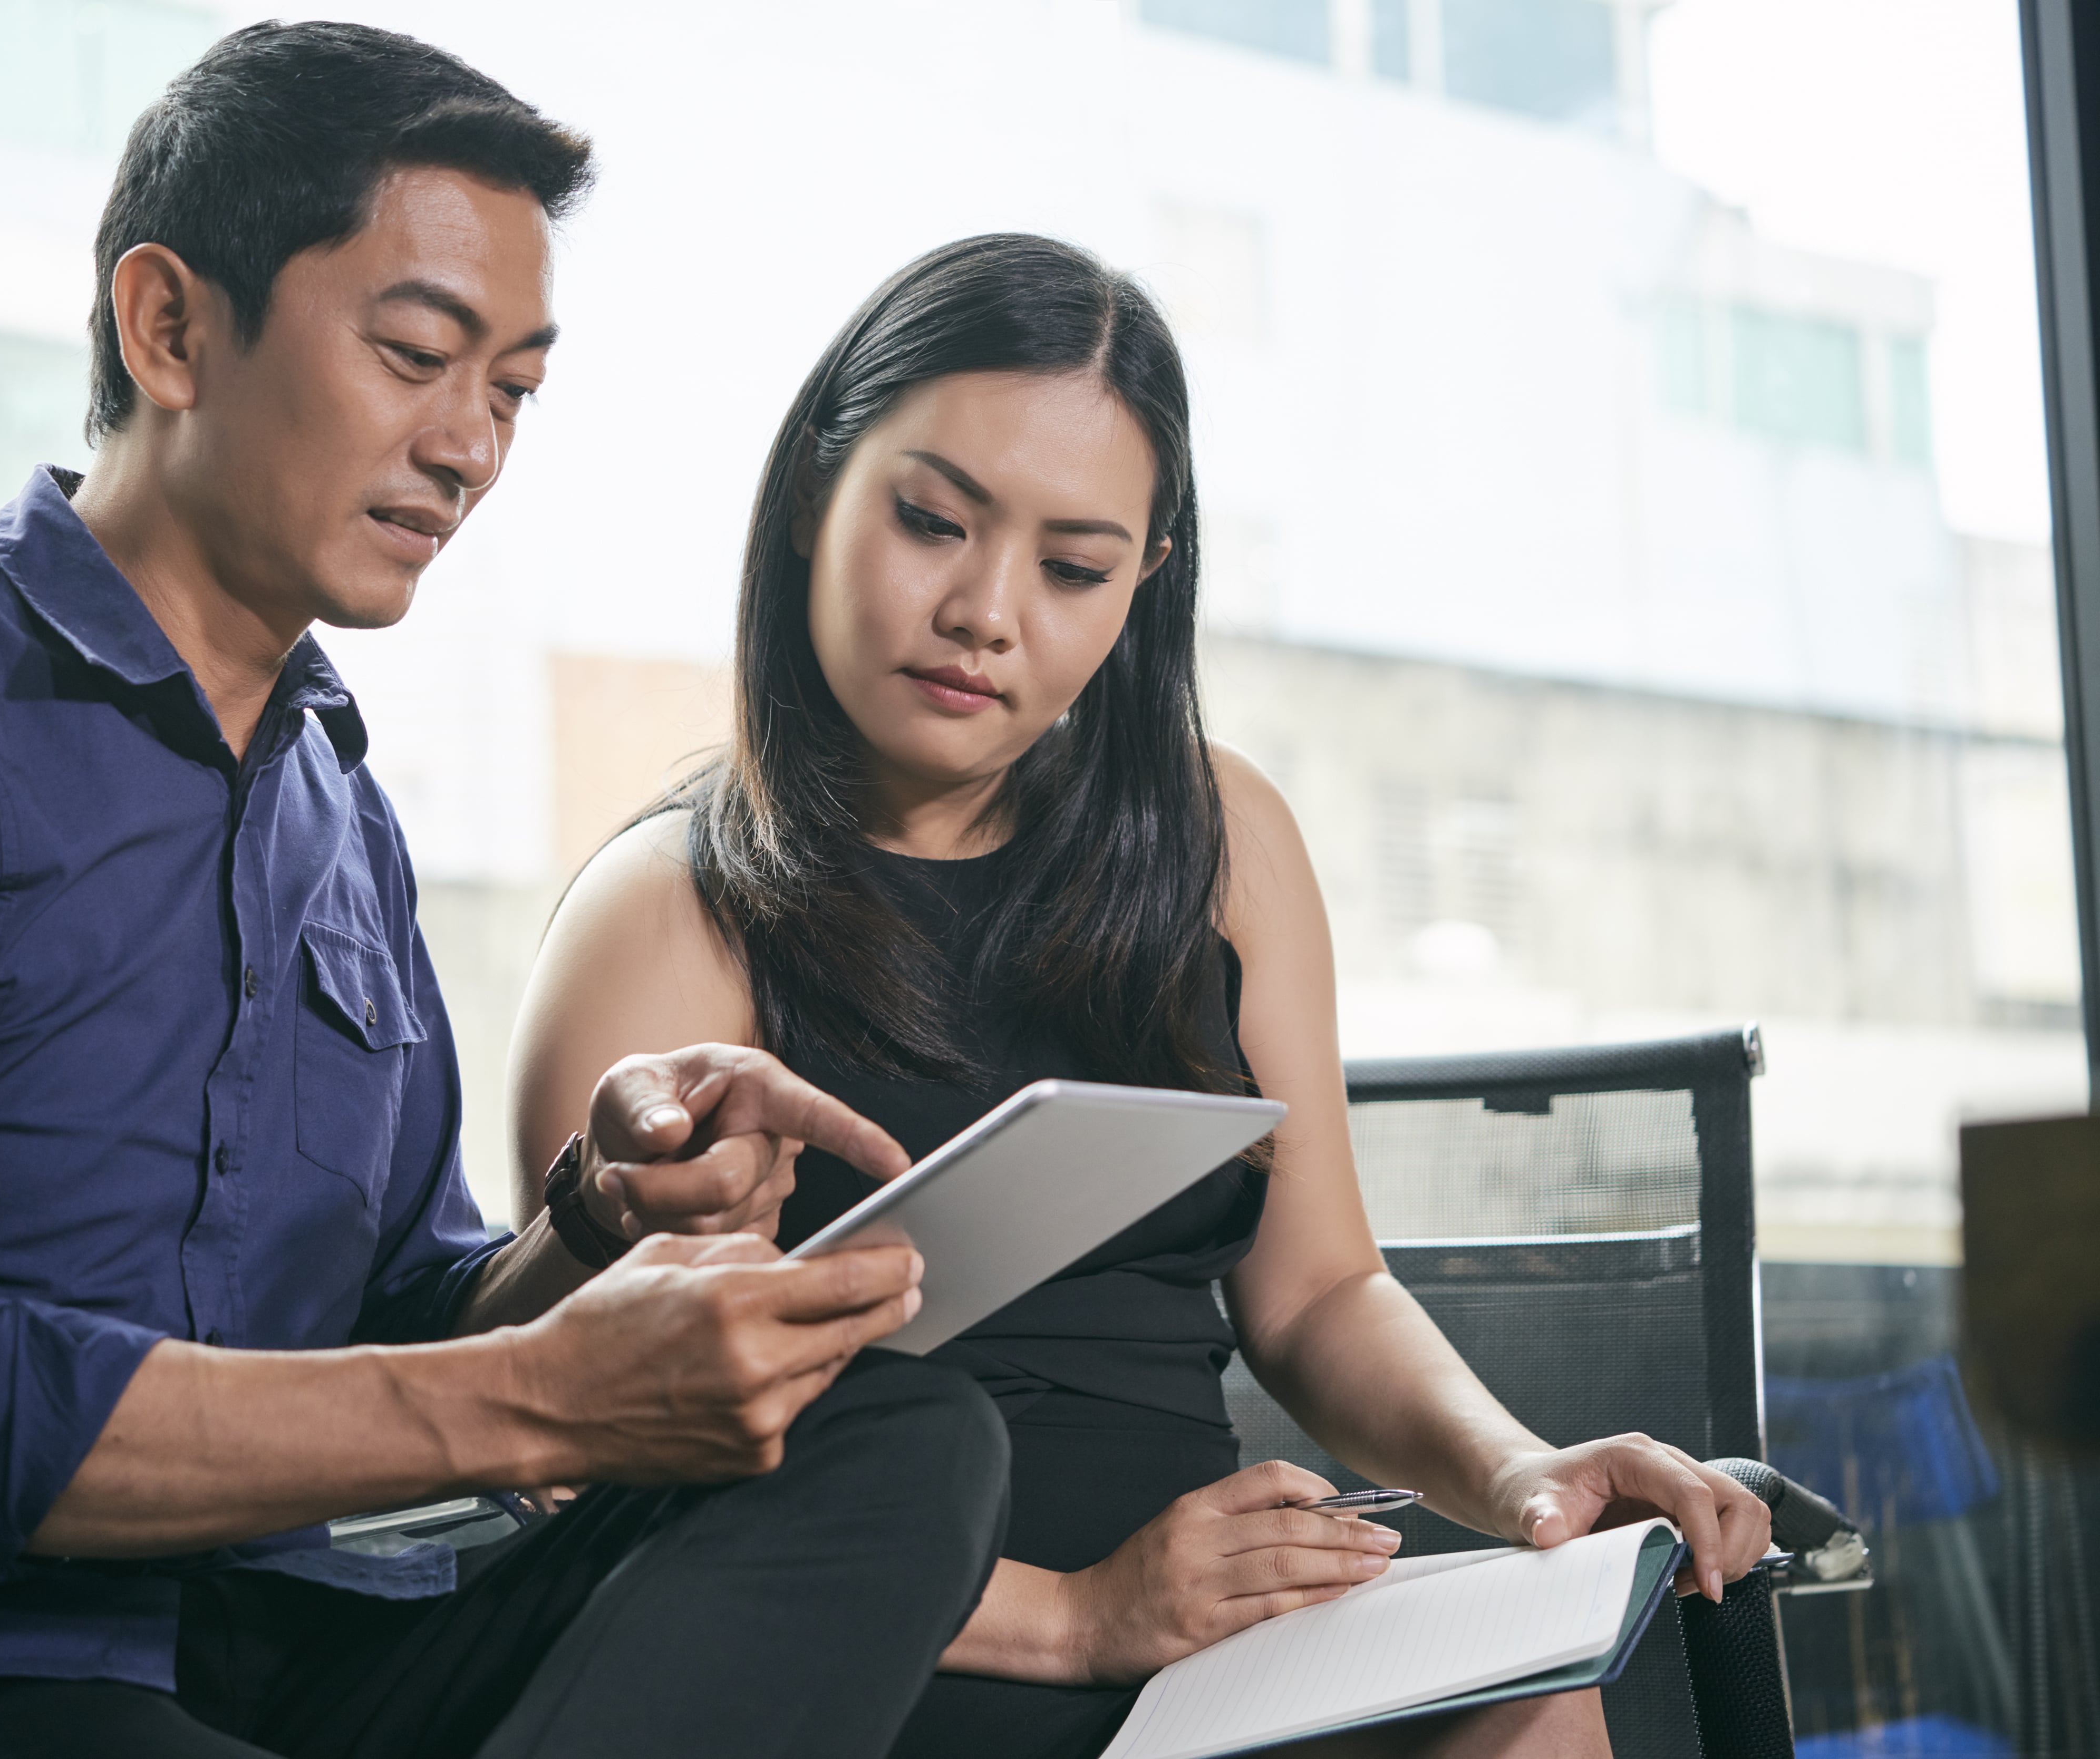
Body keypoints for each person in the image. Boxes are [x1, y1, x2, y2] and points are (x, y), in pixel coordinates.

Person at [0, 24, 1016, 1759]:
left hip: (257, 1645)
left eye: (516, 390)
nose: (472, 444)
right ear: (168, 325)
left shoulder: (340, 810)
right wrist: (543, 1395)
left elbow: (403, 1306)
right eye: (419, 353)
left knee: (903, 1441)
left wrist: (602, 1224)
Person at [508, 233, 1778, 1759]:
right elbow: (622, 1469)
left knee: (1531, 1706)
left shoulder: (1220, 838)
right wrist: (1083, 1612)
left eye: (1072, 567)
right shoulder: (666, 912)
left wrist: (1519, 1472)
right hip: (891, 1638)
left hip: (1211, 1627)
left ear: (1144, 580)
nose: (987, 610)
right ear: (807, 498)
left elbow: (1316, 1290)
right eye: (930, 522)